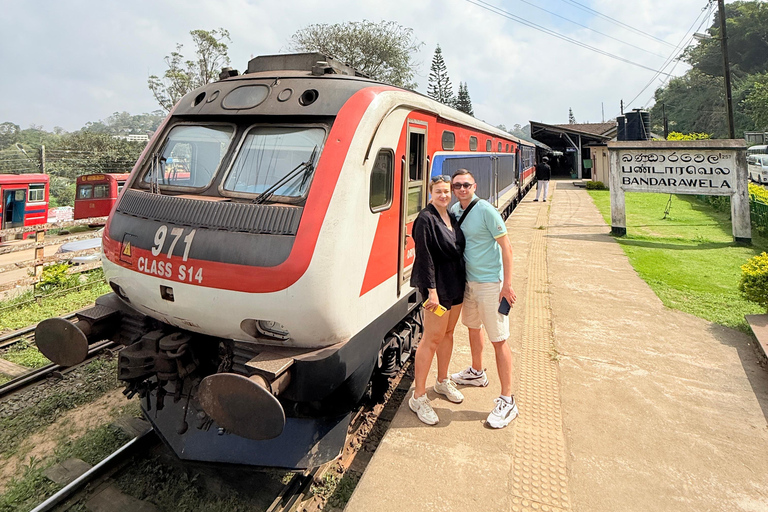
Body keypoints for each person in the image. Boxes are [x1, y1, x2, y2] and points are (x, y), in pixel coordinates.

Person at [449, 169, 519, 429]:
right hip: (469, 283)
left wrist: (506, 285)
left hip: (491, 284)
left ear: (474, 186)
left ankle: (508, 400)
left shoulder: (487, 210)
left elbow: (507, 248)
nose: (462, 189)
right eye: (457, 185)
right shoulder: (455, 211)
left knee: (499, 340)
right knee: (472, 327)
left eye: (466, 184)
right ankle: (477, 372)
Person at [408, 175, 467, 425]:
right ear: (430, 193)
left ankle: (442, 381)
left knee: (449, 333)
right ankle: (418, 396)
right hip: (437, 289)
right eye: (439, 192)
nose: (444, 195)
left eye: (446, 191)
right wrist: (431, 290)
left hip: (455, 285)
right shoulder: (425, 219)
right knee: (431, 339)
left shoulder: (451, 216)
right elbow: (425, 257)